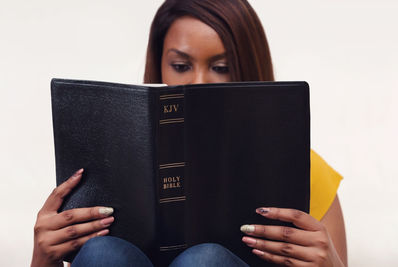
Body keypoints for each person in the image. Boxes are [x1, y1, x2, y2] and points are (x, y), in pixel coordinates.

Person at [31, 0, 347, 266]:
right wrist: (42, 259)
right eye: (181, 66)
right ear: (160, 67)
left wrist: (330, 263)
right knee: (103, 253)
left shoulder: (304, 168)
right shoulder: (110, 161)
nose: (198, 82)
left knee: (204, 261)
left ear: (248, 68)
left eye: (221, 67)